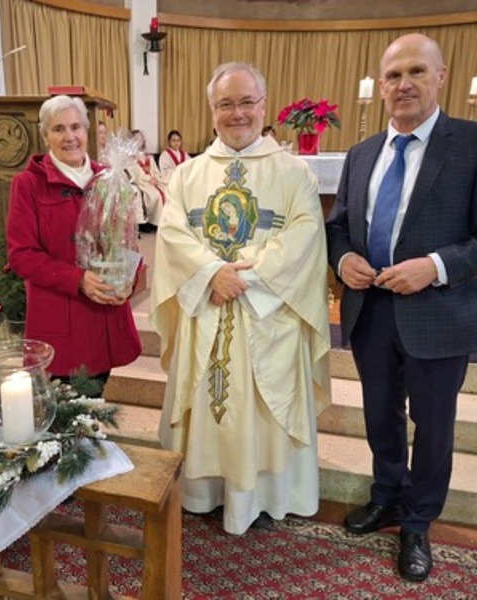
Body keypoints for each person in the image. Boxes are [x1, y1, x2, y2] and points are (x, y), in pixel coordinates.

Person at [150, 62, 331, 535]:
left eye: (246, 102)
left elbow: (306, 235)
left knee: (263, 405)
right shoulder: (187, 175)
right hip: (205, 307)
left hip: (267, 314)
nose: (237, 113)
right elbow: (170, 233)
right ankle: (204, 492)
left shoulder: (294, 173)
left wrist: (245, 279)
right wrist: (211, 273)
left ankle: (266, 496)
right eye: (225, 104)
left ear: (264, 105)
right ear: (211, 110)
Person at [326, 34, 477, 582]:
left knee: (433, 426)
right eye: (393, 75)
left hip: (437, 310)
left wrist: (433, 265)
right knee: (379, 415)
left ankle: (418, 522)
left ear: (441, 76)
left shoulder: (471, 143)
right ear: (381, 85)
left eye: (416, 71)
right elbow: (339, 225)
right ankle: (387, 495)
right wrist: (343, 261)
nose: (404, 83)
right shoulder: (363, 153)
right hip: (371, 310)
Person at [6, 95, 142, 382]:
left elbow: (127, 240)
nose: (69, 137)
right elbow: (21, 255)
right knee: (64, 408)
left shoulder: (109, 178)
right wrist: (76, 278)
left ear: (87, 130)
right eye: (58, 129)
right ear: (45, 136)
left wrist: (129, 277)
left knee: (97, 400)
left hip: (104, 311)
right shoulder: (28, 183)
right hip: (60, 314)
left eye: (75, 127)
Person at [127, 129, 166, 232]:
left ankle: (164, 221)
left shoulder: (148, 156)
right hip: (143, 183)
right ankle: (154, 221)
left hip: (153, 181)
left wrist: (156, 178)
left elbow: (155, 171)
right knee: (154, 195)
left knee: (166, 191)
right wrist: (149, 179)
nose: (138, 141)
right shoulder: (130, 158)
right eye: (135, 139)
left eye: (140, 138)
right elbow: (137, 175)